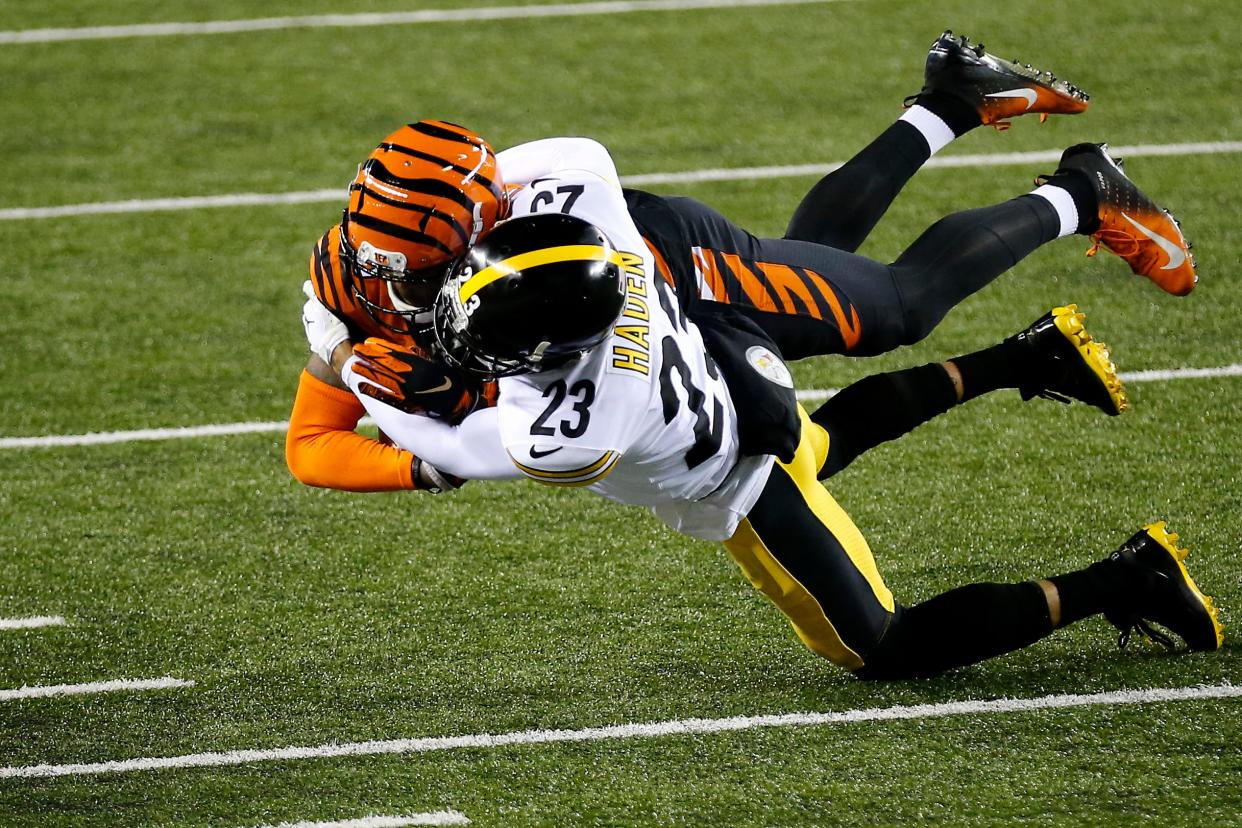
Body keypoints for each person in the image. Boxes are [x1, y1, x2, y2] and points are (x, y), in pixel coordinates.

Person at [298, 128, 1221, 680]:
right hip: (701, 338)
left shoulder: (572, 430)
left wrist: (348, 356)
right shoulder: (580, 195)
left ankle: (1126, 577)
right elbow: (530, 195)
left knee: (881, 645)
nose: (442, 322)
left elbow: (457, 448)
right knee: (809, 430)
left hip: (728, 470)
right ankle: (1031, 351)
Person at [286, 32, 1196, 495]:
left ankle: (1084, 191)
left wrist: (386, 402)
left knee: (893, 310)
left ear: (479, 222)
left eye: (420, 270)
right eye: (388, 270)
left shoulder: (540, 196)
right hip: (664, 288)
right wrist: (383, 414)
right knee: (819, 261)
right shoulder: (360, 269)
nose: (399, 290)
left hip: (666, 272)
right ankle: (950, 102)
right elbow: (307, 446)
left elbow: (567, 181)